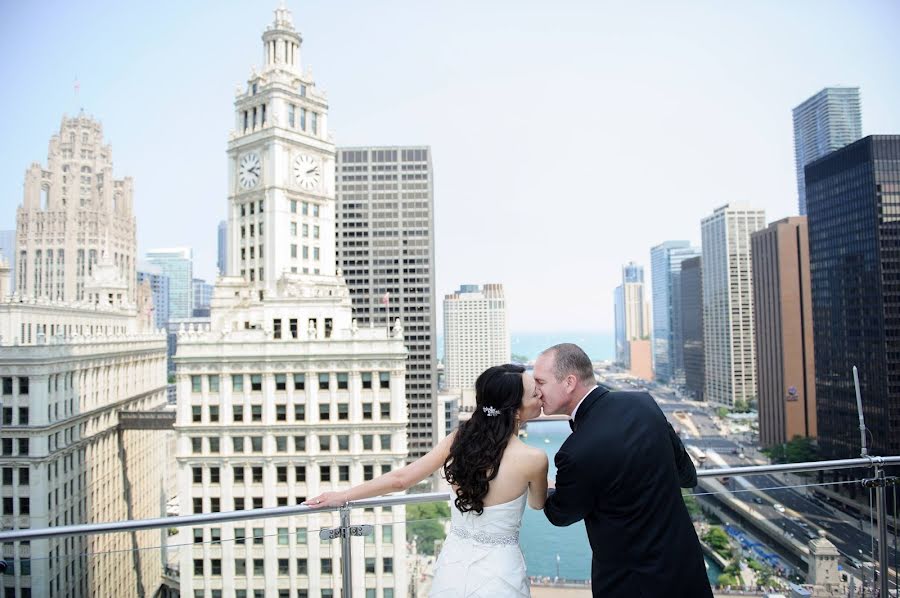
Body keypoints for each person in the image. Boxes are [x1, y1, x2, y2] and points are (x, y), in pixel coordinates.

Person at [305, 363, 548, 597]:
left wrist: (341, 496)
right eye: (536, 394)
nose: (541, 396)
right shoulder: (534, 459)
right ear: (516, 410)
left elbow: (401, 479)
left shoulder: (461, 439)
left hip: (453, 567)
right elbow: (537, 503)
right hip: (501, 572)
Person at [535, 343, 713, 598]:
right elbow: (687, 474)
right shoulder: (644, 403)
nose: (536, 391)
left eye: (541, 382)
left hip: (629, 585)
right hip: (684, 568)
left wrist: (546, 485)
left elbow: (560, 514)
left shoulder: (575, 451)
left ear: (569, 382)